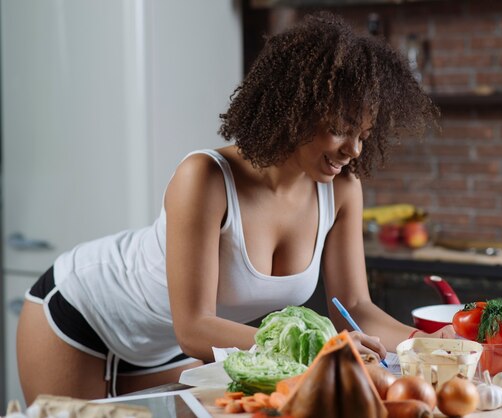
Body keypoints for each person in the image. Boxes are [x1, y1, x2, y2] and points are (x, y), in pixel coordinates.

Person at [16, 12, 453, 403]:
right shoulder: (205, 178)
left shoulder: (341, 190)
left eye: (364, 133)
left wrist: (432, 344)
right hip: (83, 313)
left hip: (163, 345)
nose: (354, 150)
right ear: (296, 111)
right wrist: (322, 349)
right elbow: (195, 327)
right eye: (341, 129)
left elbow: (355, 306)